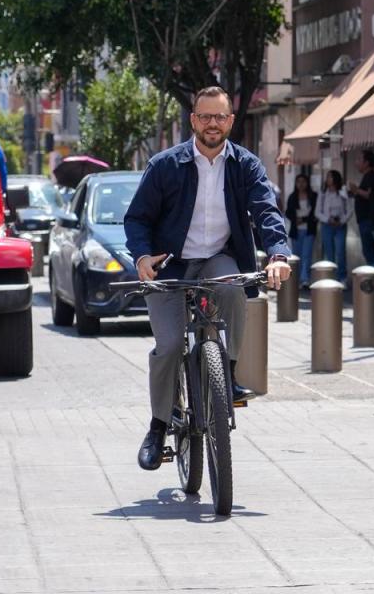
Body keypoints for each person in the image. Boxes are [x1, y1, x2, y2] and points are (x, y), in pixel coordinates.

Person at [124, 87, 290, 472]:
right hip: (171, 265)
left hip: (218, 257)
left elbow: (267, 212)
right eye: (204, 117)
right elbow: (137, 218)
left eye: (220, 117)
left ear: (231, 121)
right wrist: (143, 256)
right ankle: (157, 426)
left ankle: (226, 377)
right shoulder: (165, 165)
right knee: (167, 346)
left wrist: (278, 255)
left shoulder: (245, 165)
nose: (212, 124)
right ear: (193, 120)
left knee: (232, 285)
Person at [316, 169, 352, 282]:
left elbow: (350, 208)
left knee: (340, 252)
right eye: (327, 177)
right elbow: (317, 212)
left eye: (330, 177)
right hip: (327, 225)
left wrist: (342, 220)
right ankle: (331, 277)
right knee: (329, 253)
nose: (328, 179)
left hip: (340, 225)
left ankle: (342, 277)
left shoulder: (342, 192)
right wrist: (328, 219)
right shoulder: (322, 193)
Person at [284, 173, 318, 288]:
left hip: (308, 230)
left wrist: (303, 219)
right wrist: (295, 219)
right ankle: (296, 279)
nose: (301, 184)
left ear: (307, 183)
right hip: (296, 230)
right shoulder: (292, 196)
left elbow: (315, 213)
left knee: (306, 255)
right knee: (296, 255)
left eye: (303, 181)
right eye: (298, 182)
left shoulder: (313, 196)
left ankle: (305, 279)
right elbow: (288, 212)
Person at [348, 150, 374, 266]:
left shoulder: (371, 176)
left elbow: (370, 194)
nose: (356, 162)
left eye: (359, 160)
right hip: (365, 220)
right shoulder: (367, 176)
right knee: (368, 250)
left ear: (367, 163)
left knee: (369, 251)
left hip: (369, 220)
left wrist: (356, 190)